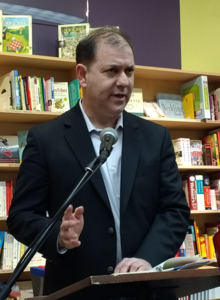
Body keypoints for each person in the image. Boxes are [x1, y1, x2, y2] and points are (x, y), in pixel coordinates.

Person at [7, 26, 190, 300]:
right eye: (111, 71)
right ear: (82, 75)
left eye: (129, 71)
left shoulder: (156, 137)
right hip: (78, 290)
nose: (124, 81)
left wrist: (146, 259)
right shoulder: (46, 139)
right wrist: (58, 235)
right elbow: (21, 216)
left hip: (148, 290)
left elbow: (174, 210)